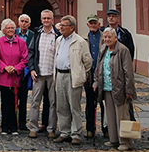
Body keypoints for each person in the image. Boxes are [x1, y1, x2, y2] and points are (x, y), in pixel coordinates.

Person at [93, 27, 137, 151]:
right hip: (106, 87)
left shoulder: (123, 50)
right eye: (105, 37)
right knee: (110, 115)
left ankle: (125, 142)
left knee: (122, 116)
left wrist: (129, 89)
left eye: (109, 37)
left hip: (119, 88)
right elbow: (98, 67)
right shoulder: (103, 49)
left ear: (115, 38)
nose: (106, 39)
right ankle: (113, 139)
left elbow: (128, 72)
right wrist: (96, 82)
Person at [53, 15, 92, 145]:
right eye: (60, 25)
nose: (60, 27)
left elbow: (87, 61)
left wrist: (80, 73)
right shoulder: (59, 40)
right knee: (61, 106)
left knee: (74, 106)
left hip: (72, 76)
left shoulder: (80, 41)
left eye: (63, 25)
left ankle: (76, 134)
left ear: (71, 27)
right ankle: (65, 132)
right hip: (59, 75)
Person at [27, 9, 60, 139]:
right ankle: (33, 128)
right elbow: (31, 52)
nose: (46, 20)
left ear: (53, 20)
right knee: (35, 102)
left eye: (48, 18)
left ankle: (51, 128)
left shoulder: (57, 35)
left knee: (53, 103)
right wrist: (32, 69)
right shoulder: (37, 34)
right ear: (41, 20)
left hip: (52, 74)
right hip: (38, 73)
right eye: (44, 18)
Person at [0, 19, 28, 135]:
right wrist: (5, 67)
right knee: (5, 102)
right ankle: (5, 127)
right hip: (3, 77)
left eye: (12, 28)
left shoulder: (21, 42)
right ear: (3, 30)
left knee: (15, 102)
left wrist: (16, 68)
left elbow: (25, 59)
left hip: (16, 76)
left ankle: (14, 127)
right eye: (8, 28)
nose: (10, 30)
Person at [84, 14, 107, 138]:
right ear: (87, 24)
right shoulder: (83, 39)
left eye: (95, 23)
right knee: (90, 103)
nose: (93, 25)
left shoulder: (105, 37)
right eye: (90, 23)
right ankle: (90, 129)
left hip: (103, 76)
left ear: (99, 24)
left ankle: (106, 128)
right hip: (89, 76)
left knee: (104, 103)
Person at [14, 14, 34, 131]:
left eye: (26, 21)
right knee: (12, 98)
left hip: (25, 71)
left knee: (23, 98)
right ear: (18, 22)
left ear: (29, 24)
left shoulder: (32, 35)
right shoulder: (13, 32)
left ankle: (22, 122)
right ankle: (12, 121)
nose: (24, 23)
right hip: (13, 69)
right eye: (22, 21)